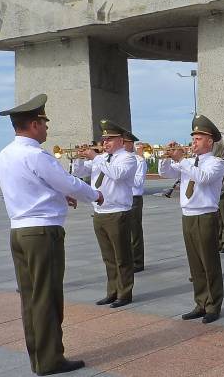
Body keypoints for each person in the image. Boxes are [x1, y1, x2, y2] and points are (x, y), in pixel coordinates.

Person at [0, 94, 104, 376]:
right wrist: (95, 193)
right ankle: (51, 359)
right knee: (47, 296)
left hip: (19, 231)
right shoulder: (36, 154)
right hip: (42, 233)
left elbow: (31, 188)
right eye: (43, 123)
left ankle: (38, 357)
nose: (46, 128)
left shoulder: (5, 154)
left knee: (30, 297)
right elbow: (66, 181)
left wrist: (57, 196)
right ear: (32, 124)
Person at [159, 115, 224, 323]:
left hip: (205, 216)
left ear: (209, 141)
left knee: (209, 263)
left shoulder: (217, 163)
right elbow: (165, 173)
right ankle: (200, 302)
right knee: (195, 264)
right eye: (193, 138)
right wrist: (166, 156)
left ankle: (213, 305)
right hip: (188, 215)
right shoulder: (188, 162)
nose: (193, 142)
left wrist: (181, 160)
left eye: (198, 138)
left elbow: (203, 178)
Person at [73, 120, 137, 308]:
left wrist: (96, 157)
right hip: (100, 211)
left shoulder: (127, 157)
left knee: (122, 257)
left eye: (110, 139)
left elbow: (117, 175)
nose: (105, 143)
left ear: (120, 140)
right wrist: (78, 157)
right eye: (104, 139)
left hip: (118, 212)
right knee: (108, 256)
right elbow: (78, 171)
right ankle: (112, 291)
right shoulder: (101, 158)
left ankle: (125, 293)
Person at [124, 132, 147, 273]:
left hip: (134, 198)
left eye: (124, 141)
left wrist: (122, 176)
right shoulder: (115, 159)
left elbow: (138, 182)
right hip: (122, 198)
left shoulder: (139, 160)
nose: (120, 144)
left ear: (130, 144)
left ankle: (137, 262)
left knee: (134, 231)